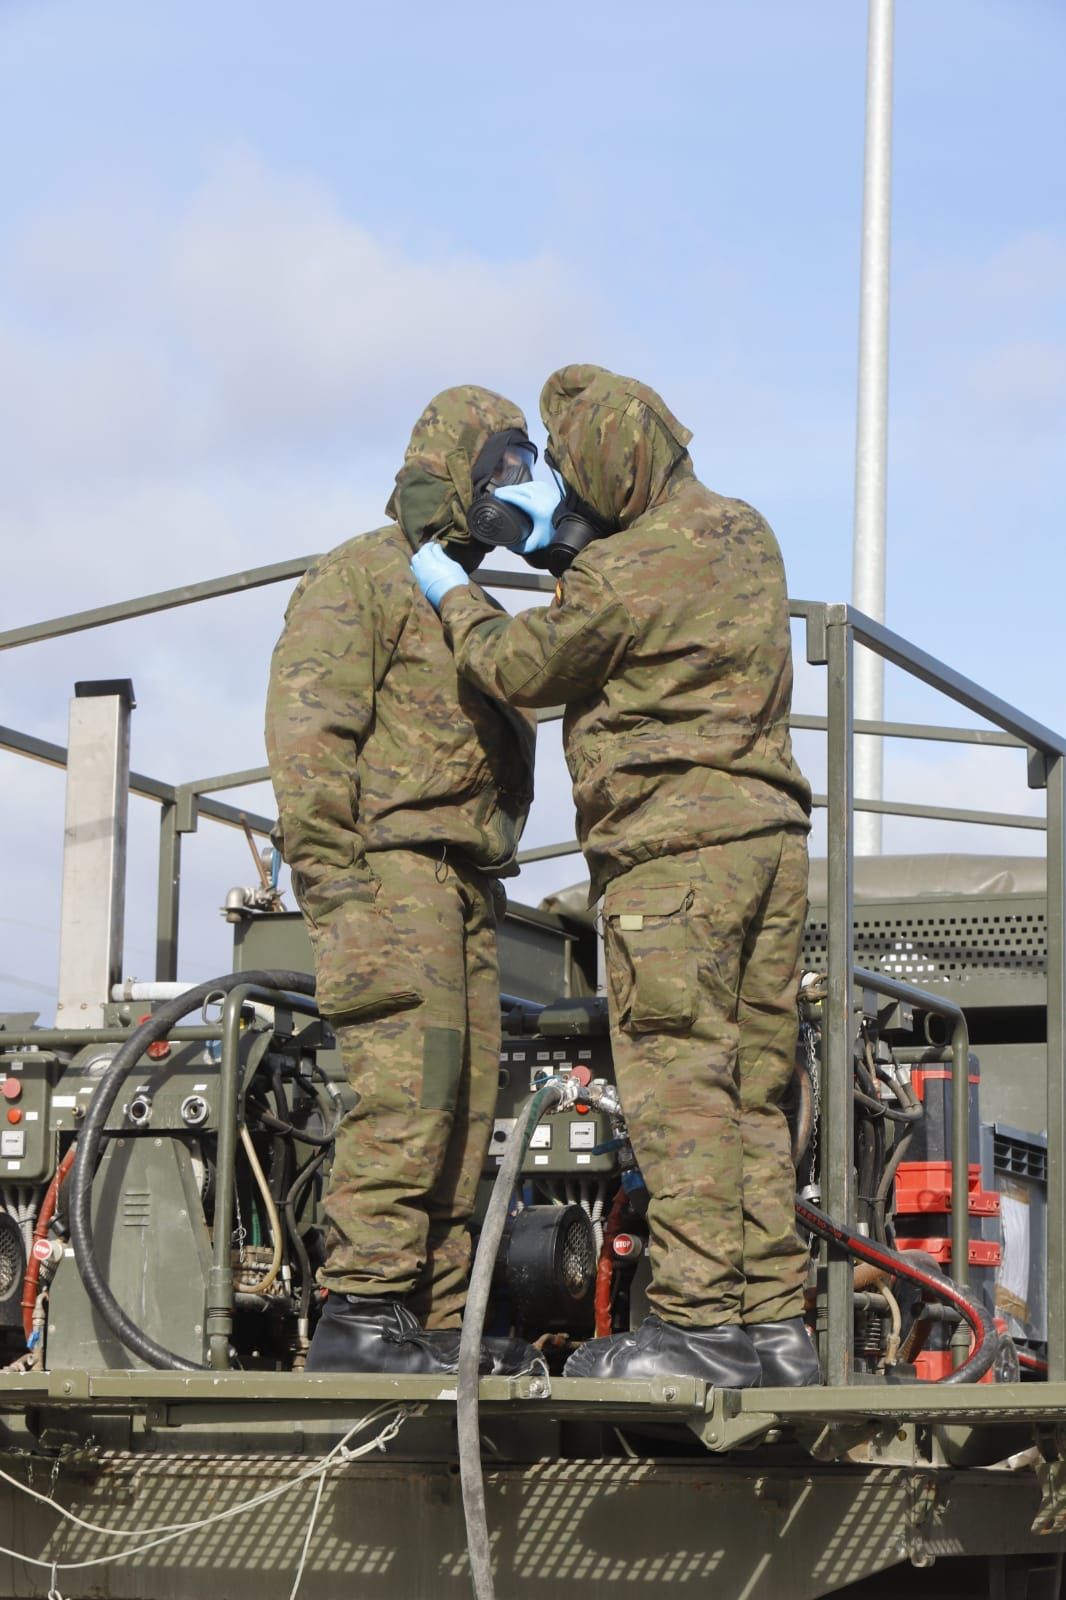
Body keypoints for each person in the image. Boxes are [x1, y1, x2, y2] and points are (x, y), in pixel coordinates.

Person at [412, 363, 820, 1388]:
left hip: (670, 856)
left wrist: (455, 593)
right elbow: (645, 608)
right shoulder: (746, 532)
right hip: (767, 840)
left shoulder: (622, 573)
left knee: (682, 1088)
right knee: (752, 1092)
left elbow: (520, 667)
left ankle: (692, 1331)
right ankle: (773, 1329)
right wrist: (571, 551)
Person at [265, 385, 544, 1376]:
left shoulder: (468, 603)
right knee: (405, 1096)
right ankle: (365, 1315)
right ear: (455, 471)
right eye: (501, 468)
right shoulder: (364, 577)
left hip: (465, 883)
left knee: (463, 1113)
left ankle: (431, 1320)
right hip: (391, 874)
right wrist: (338, 903)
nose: (516, 486)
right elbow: (308, 741)